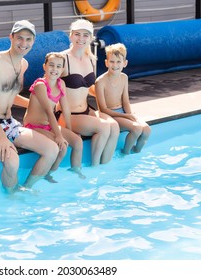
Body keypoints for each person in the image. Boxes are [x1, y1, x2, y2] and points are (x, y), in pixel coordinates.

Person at [0, 20, 59, 192]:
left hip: (9, 123)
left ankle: (26, 188)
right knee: (12, 161)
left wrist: (35, 106)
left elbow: (9, 94)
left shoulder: (23, 64)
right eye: (19, 38)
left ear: (33, 41)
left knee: (51, 149)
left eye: (28, 39)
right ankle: (11, 197)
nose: (23, 43)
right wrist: (1, 137)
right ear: (11, 37)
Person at [56, 19, 119, 166]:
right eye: (77, 34)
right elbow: (47, 86)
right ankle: (95, 167)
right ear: (70, 36)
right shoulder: (62, 58)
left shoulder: (90, 59)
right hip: (67, 115)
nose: (81, 39)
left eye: (86, 35)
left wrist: (108, 95)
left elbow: (87, 87)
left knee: (114, 127)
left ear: (91, 38)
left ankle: (105, 165)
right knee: (103, 127)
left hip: (86, 110)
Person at [23, 52, 86, 181]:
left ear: (62, 70)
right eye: (51, 65)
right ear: (44, 66)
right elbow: (48, 111)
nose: (54, 69)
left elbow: (66, 108)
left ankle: (76, 171)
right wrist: (58, 135)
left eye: (58, 66)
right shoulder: (40, 85)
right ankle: (47, 174)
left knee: (78, 142)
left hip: (49, 125)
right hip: (34, 126)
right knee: (61, 147)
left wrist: (69, 130)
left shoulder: (60, 83)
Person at [95, 43, 151, 154]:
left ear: (125, 63)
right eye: (111, 61)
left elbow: (125, 101)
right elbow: (103, 109)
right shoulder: (100, 81)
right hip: (110, 115)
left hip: (123, 113)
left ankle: (136, 152)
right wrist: (125, 116)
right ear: (106, 62)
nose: (115, 65)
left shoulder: (124, 77)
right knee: (136, 129)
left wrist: (131, 115)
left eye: (118, 61)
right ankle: (125, 153)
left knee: (147, 130)